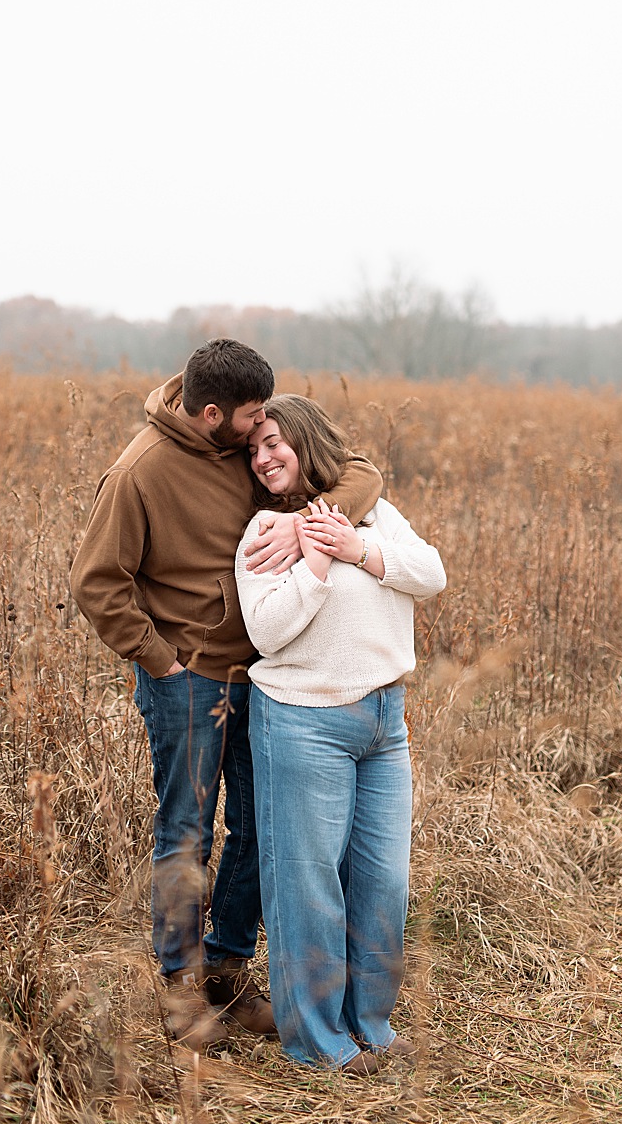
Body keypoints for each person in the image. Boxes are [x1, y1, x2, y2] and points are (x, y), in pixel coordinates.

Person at [70, 339, 384, 1051]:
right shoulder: (139, 473)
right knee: (187, 828)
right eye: (250, 417)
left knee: (260, 826)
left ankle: (228, 970)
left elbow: (361, 471)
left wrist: (304, 523)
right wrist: (161, 660)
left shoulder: (247, 447)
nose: (260, 431)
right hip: (188, 682)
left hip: (266, 677)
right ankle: (180, 988)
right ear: (212, 413)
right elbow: (96, 582)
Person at [234, 394, 446, 1074]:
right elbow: (267, 631)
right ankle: (318, 1042)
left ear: (306, 441)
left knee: (383, 882)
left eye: (274, 443)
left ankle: (370, 1024)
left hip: (385, 723)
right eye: (254, 449)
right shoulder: (266, 531)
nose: (263, 457)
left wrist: (359, 549)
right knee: (308, 886)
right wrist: (316, 565)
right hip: (303, 722)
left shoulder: (376, 514)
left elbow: (431, 574)